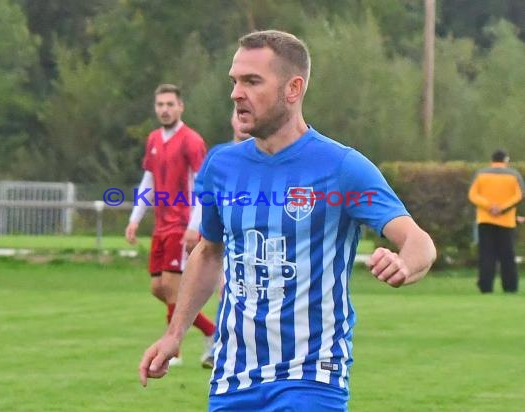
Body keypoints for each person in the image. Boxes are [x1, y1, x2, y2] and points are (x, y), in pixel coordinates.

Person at [138, 31, 436, 411]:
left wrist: (404, 264)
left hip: (311, 375)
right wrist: (174, 333)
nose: (236, 93)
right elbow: (209, 253)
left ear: (293, 89)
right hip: (234, 376)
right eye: (234, 81)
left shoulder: (342, 168)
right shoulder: (222, 166)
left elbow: (419, 242)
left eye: (252, 81)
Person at [125, 84, 216, 367]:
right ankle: (213, 331)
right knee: (158, 288)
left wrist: (194, 225)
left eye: (169, 104)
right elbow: (149, 181)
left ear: (180, 107)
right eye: (160, 105)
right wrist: (135, 218)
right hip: (161, 226)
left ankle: (173, 351)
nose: (164, 109)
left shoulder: (191, 141)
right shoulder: (153, 139)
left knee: (171, 285)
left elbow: (203, 186)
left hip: (181, 224)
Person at [186, 110, 252, 369]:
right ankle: (220, 347)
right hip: (223, 238)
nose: (240, 118)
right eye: (236, 113)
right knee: (228, 288)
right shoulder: (219, 156)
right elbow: (204, 197)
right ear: (231, 118)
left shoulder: (267, 155)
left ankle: (232, 346)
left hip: (253, 238)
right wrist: (194, 228)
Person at [468, 150, 524, 293]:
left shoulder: (481, 174)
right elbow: (519, 195)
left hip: (485, 220)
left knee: (486, 254)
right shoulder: (513, 175)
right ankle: (510, 287)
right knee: (507, 255)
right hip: (507, 222)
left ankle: (486, 287)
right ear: (506, 160)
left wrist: (489, 206)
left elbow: (473, 195)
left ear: (492, 160)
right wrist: (502, 208)